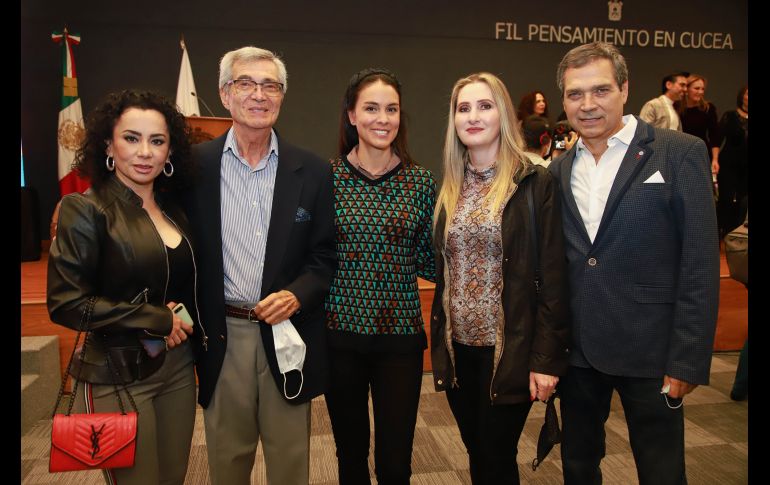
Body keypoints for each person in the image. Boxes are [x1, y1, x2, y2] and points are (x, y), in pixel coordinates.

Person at [550, 42, 720, 485]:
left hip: (653, 350)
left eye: (600, 90)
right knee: (578, 466)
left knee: (661, 471)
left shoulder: (678, 152)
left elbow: (700, 263)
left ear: (624, 89)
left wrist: (687, 359)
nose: (587, 105)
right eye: (574, 94)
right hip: (580, 351)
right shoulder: (559, 170)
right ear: (563, 100)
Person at [185, 46, 337, 485]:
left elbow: (325, 255)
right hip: (222, 333)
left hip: (287, 335)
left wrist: (296, 294)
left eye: (270, 85)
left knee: (291, 463)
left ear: (282, 96)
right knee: (227, 460)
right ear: (225, 94)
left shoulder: (311, 170)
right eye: (245, 84)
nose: (258, 94)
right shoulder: (195, 169)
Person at [47, 89, 201, 485]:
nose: (145, 152)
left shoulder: (174, 207)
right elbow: (67, 304)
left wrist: (177, 318)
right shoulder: (86, 209)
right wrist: (154, 318)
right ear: (108, 145)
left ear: (170, 152)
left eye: (157, 141)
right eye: (132, 138)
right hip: (117, 372)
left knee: (173, 478)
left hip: (178, 368)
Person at [431, 72, 570, 485]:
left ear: (504, 115)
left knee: (496, 454)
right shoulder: (451, 187)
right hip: (460, 349)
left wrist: (545, 360)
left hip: (509, 351)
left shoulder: (532, 181)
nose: (473, 116)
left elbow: (553, 277)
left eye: (485, 106)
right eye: (463, 108)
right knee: (477, 450)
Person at [324, 67, 436, 485]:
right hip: (340, 338)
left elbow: (429, 260)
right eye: (371, 108)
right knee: (350, 455)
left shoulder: (421, 183)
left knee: (395, 462)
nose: (382, 118)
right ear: (351, 115)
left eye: (391, 109)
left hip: (400, 342)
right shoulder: (327, 180)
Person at [717, 86, 748, 236]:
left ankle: (739, 234)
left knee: (744, 200)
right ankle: (725, 232)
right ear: (742, 96)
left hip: (747, 166)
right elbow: (717, 139)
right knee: (727, 198)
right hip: (729, 163)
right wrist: (714, 159)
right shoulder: (730, 115)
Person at [679, 73, 722, 176]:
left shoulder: (708, 108)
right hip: (681, 153)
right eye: (697, 88)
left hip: (701, 152)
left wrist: (715, 159)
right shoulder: (678, 108)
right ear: (687, 89)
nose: (700, 92)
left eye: (702, 89)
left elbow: (714, 135)